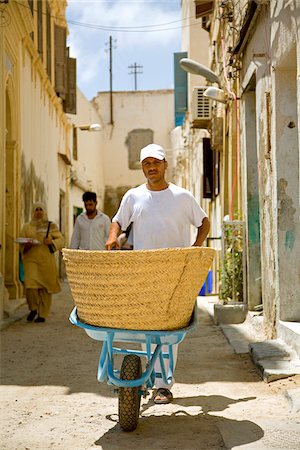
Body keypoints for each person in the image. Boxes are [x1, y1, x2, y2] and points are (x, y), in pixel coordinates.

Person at [105, 143, 210, 404]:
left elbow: (204, 222)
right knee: (146, 327)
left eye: (156, 163)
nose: (151, 168)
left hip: (175, 272)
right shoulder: (133, 196)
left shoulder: (182, 197)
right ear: (142, 167)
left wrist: (195, 248)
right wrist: (112, 238)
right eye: (146, 164)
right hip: (145, 271)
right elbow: (118, 220)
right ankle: (152, 377)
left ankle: (163, 384)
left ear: (165, 165)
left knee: (170, 331)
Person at [20, 202, 64, 323]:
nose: (39, 212)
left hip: (46, 261)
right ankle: (33, 308)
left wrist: (51, 242)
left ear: (44, 211)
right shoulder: (27, 227)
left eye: (41, 209)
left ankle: (42, 314)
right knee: (30, 285)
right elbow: (21, 243)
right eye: (36, 209)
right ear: (33, 212)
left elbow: (61, 240)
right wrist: (26, 245)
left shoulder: (51, 226)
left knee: (45, 288)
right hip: (31, 260)